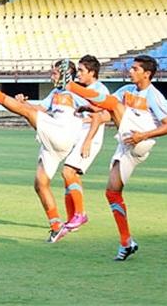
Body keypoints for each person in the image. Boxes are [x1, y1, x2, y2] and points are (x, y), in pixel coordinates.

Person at [62, 55, 167, 260]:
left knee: (113, 103)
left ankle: (71, 86)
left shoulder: (153, 96)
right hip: (126, 143)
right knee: (112, 193)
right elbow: (106, 111)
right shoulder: (126, 91)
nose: (130, 71)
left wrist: (144, 135)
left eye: (135, 69)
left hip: (141, 139)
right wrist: (90, 108)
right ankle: (126, 242)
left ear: (147, 74)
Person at [0, 60, 98, 242]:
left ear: (66, 75)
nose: (51, 76)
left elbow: (97, 112)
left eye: (55, 73)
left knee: (28, 114)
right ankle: (56, 226)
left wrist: (87, 134)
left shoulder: (76, 91)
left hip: (62, 135)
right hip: (51, 141)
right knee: (40, 184)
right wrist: (25, 103)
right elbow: (40, 109)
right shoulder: (55, 93)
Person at [58, 55, 109, 234]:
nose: (78, 73)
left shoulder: (99, 91)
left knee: (68, 171)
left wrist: (87, 142)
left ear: (92, 72)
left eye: (81, 70)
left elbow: (99, 117)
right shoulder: (82, 89)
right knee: (69, 178)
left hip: (90, 137)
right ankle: (72, 219)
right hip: (79, 135)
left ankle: (80, 214)